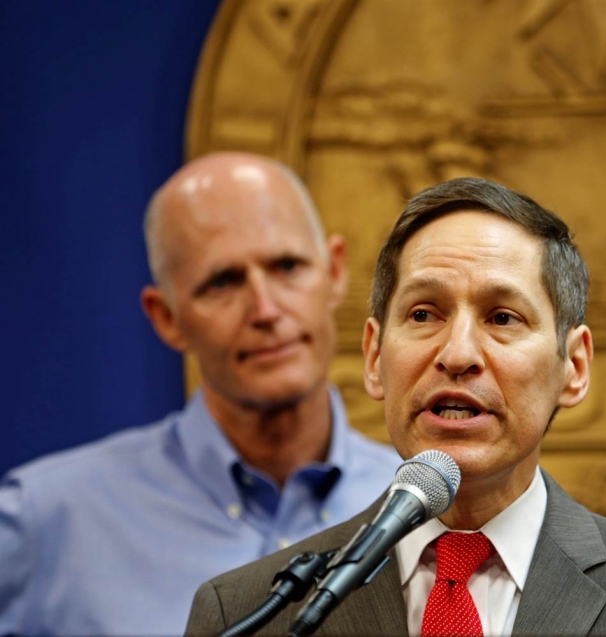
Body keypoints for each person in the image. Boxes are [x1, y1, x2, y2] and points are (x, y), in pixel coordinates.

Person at [185, 177, 606, 636]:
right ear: (373, 356)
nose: (457, 354)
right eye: (423, 314)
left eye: (502, 318)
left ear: (575, 367)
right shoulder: (249, 610)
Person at [0, 153, 402, 636]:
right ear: (166, 317)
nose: (266, 309)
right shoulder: (46, 522)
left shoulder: (424, 511)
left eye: (287, 266)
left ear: (335, 273)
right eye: (223, 282)